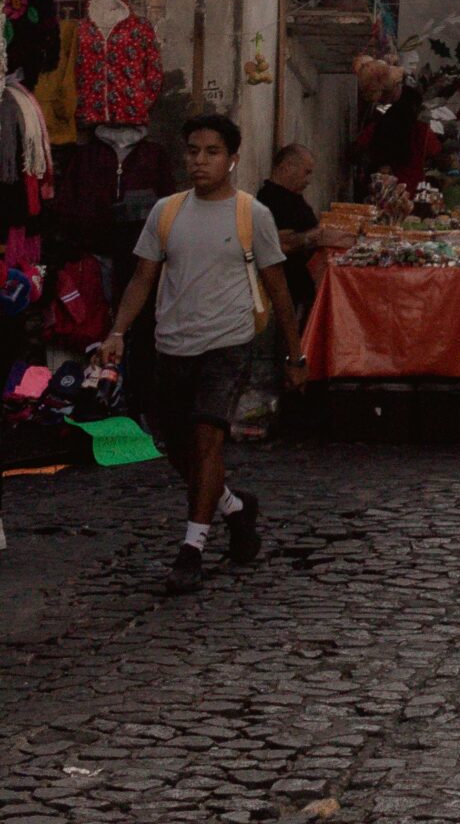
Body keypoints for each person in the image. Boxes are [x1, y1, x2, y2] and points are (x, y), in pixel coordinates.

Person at [99, 112, 305, 596]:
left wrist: (295, 356)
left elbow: (278, 289)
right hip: (171, 345)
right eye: (193, 151)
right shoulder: (166, 212)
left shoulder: (252, 214)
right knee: (177, 447)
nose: (200, 161)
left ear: (232, 160)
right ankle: (234, 507)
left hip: (228, 344)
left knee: (207, 437)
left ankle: (191, 549)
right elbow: (142, 278)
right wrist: (118, 332)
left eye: (212, 152)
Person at [257, 142, 323, 324]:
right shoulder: (271, 199)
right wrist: (311, 236)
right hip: (289, 291)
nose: (308, 180)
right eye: (306, 172)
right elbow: (281, 243)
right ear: (286, 168)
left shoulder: (291, 197)